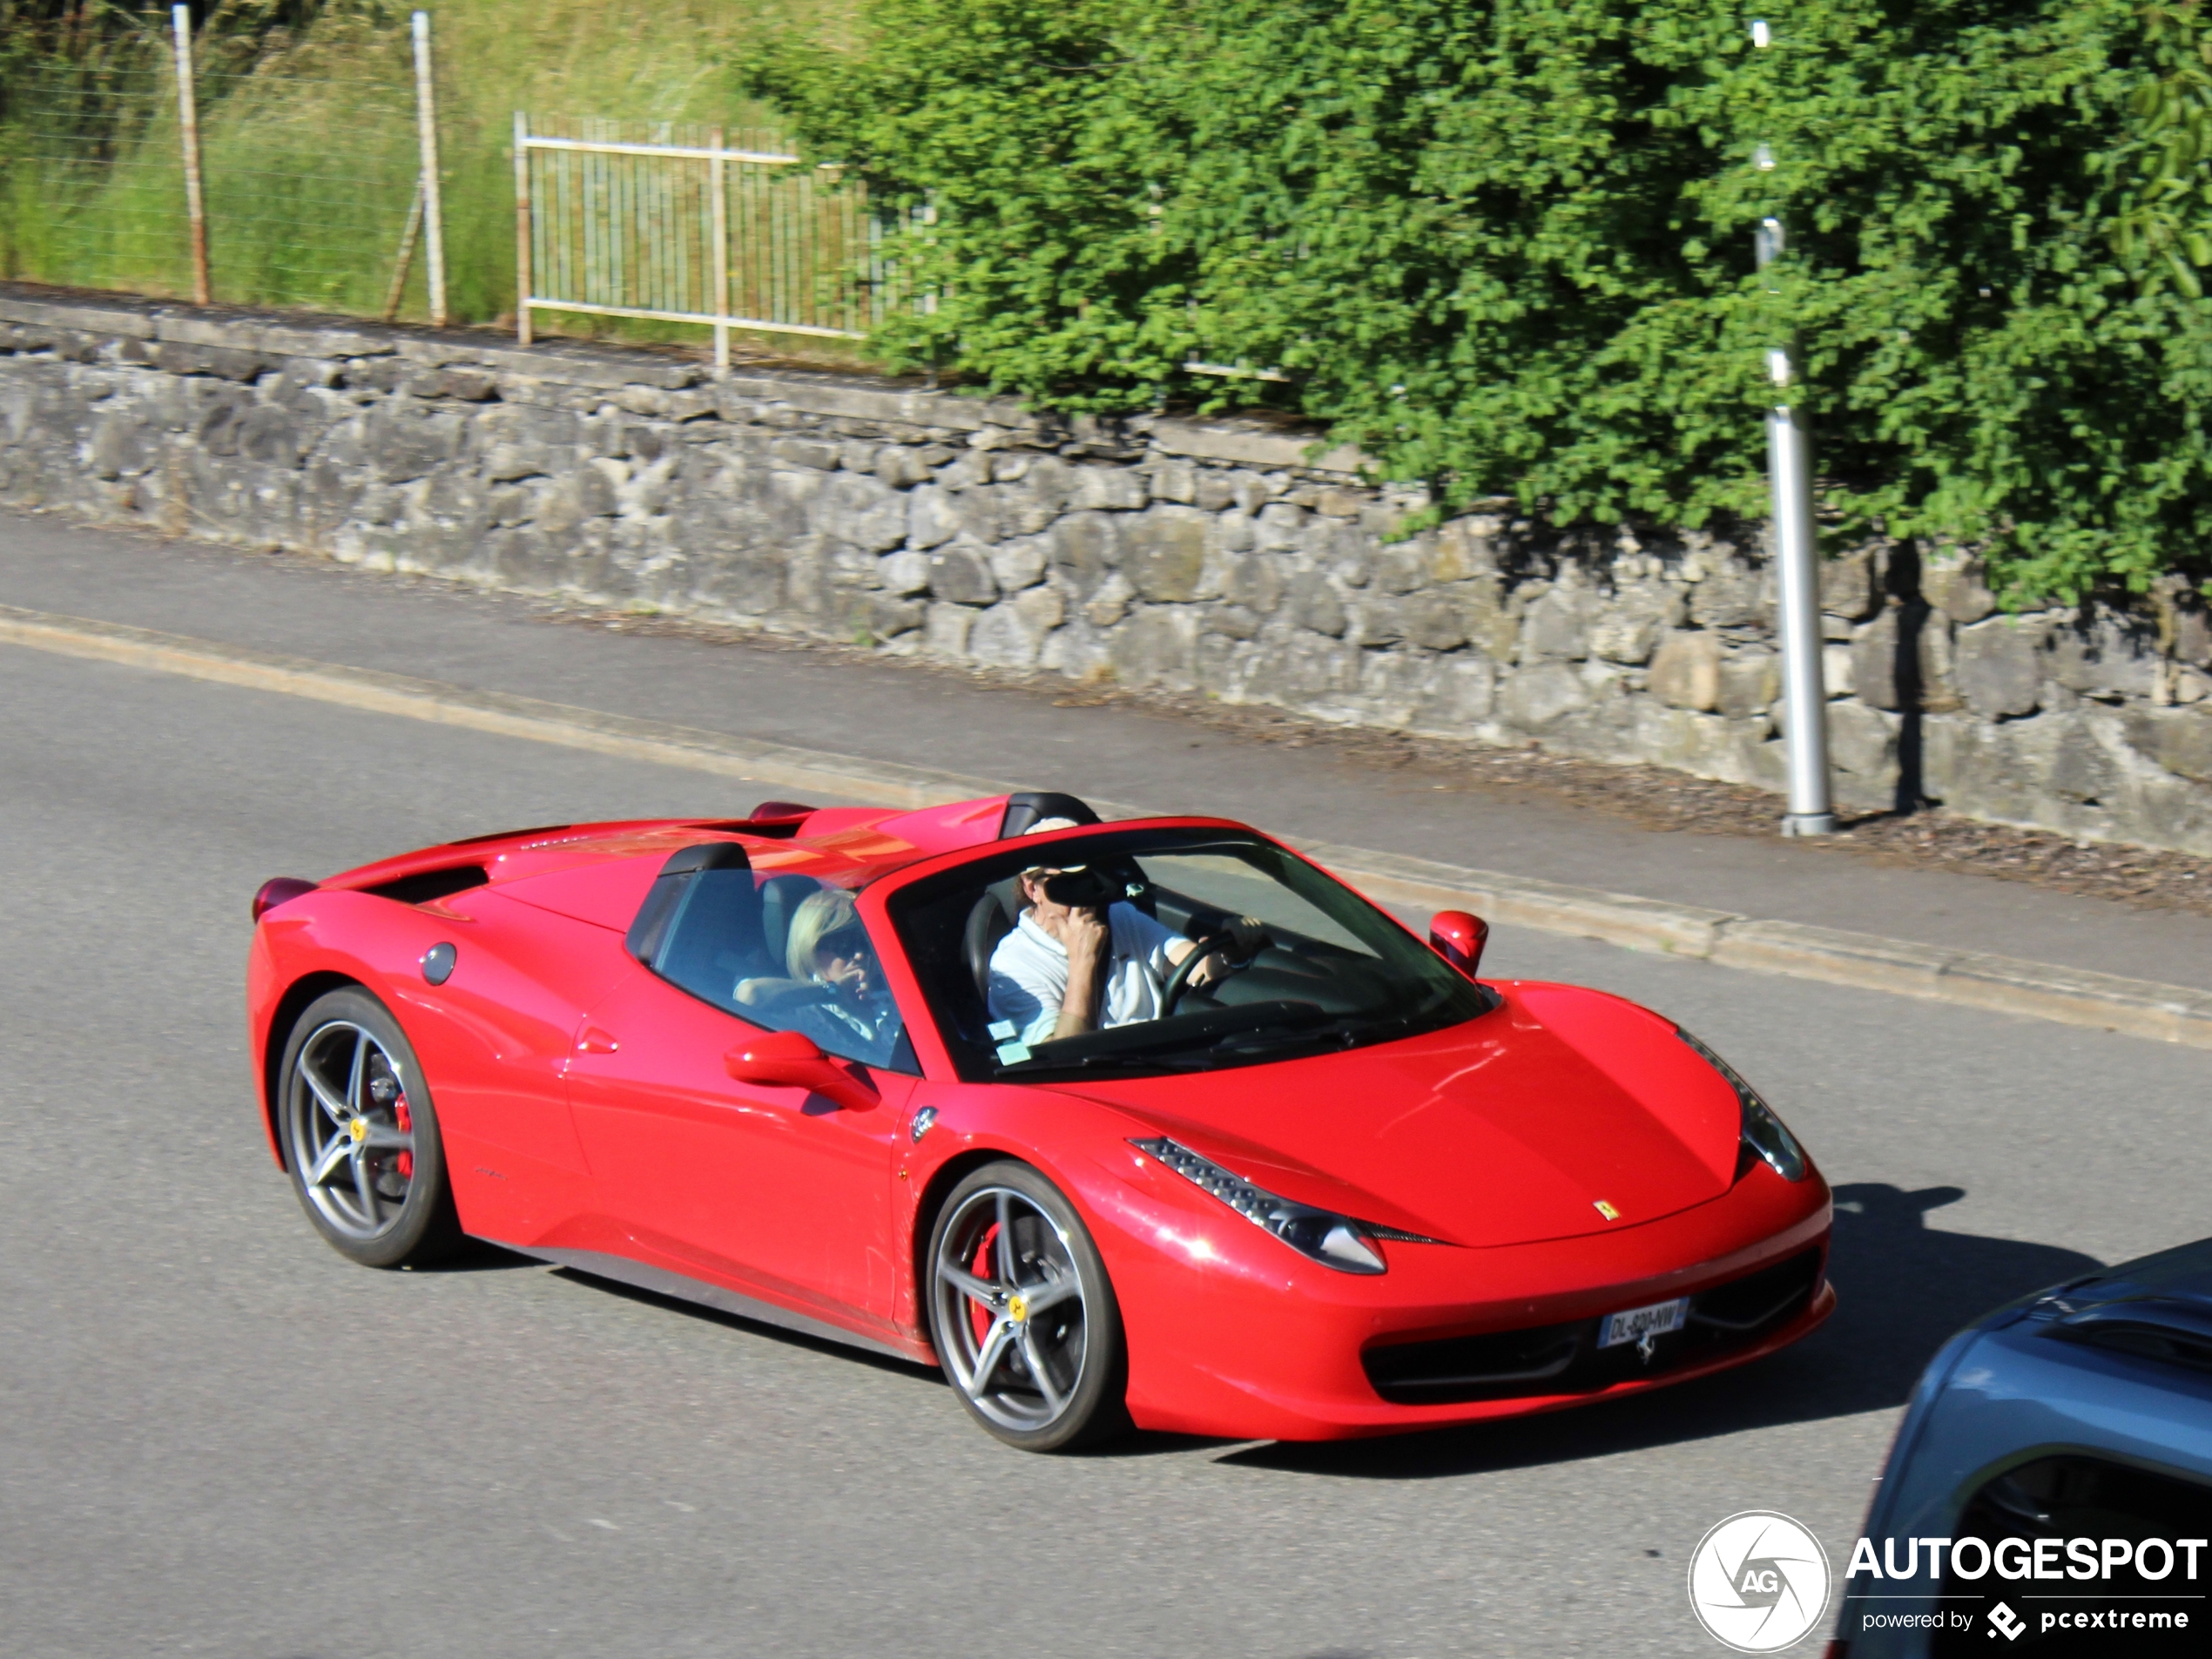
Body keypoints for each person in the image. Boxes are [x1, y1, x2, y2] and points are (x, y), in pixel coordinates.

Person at [987, 820, 1264, 1047]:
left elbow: (1198, 968)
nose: (1082, 894)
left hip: (1165, 1056)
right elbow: (1058, 1054)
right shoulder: (1014, 965)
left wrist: (1232, 953)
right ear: (1032, 888)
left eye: (1088, 878)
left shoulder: (1120, 915)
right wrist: (1083, 961)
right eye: (1066, 883)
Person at [737, 887, 905, 1067]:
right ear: (812, 949)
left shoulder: (898, 998)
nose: (859, 956)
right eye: (845, 944)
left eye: (865, 942)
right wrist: (833, 992)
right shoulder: (803, 1011)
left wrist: (866, 1015)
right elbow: (751, 994)